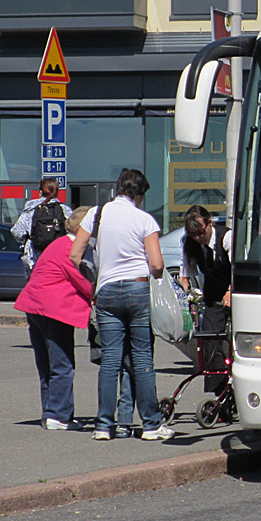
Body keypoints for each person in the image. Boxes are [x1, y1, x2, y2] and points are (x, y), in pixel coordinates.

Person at [70, 168, 173, 441]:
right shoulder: (144, 220)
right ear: (138, 194)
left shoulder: (97, 213)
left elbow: (74, 254)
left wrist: (94, 277)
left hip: (106, 292)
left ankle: (104, 425)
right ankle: (151, 425)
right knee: (142, 359)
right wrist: (159, 277)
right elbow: (157, 264)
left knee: (110, 361)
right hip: (137, 290)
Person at [13, 206, 93, 431]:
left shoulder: (57, 244)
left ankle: (50, 411)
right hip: (54, 309)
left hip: (34, 305)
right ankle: (60, 415)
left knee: (46, 364)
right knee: (62, 363)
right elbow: (85, 283)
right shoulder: (73, 248)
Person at [181, 205, 232, 393]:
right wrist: (184, 297)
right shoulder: (190, 242)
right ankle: (217, 390)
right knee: (210, 340)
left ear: (209, 223)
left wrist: (229, 291)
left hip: (231, 291)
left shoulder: (226, 237)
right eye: (193, 234)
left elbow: (236, 268)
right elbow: (185, 274)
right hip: (212, 295)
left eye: (201, 232)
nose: (198, 238)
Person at [11, 177, 73, 275]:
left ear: (40, 192)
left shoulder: (31, 209)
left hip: (35, 257)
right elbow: (74, 232)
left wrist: (29, 237)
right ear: (57, 192)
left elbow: (17, 232)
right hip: (58, 257)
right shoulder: (65, 210)